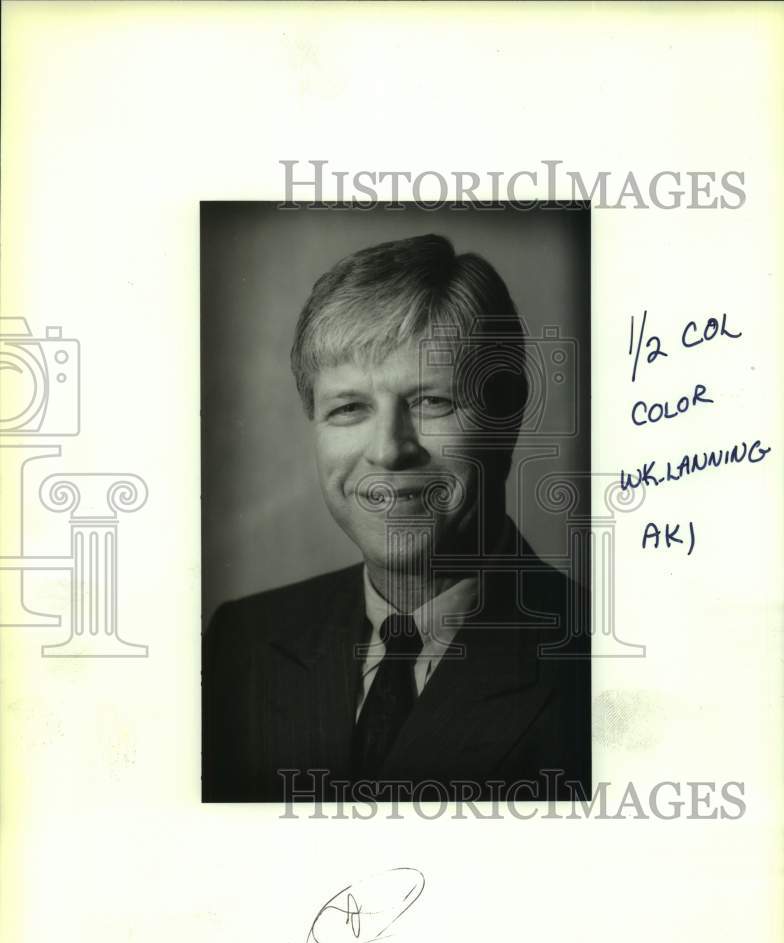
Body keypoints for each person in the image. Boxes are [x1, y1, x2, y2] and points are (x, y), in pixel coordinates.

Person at [202, 233, 590, 803]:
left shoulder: (594, 658)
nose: (388, 449)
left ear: (507, 413)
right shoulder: (244, 643)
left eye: (431, 401)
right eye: (349, 408)